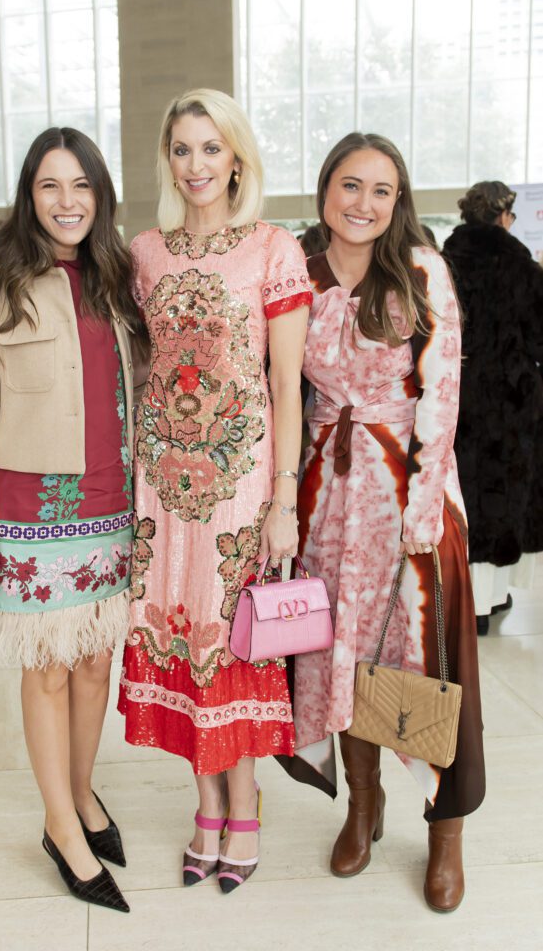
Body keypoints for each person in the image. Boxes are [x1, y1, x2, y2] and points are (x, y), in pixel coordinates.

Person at [0, 126, 146, 913]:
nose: (67, 203)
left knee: (96, 660)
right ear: (29, 196)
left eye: (81, 187)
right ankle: (61, 825)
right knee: (49, 667)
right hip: (31, 507)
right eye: (50, 187)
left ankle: (84, 791)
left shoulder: (114, 276)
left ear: (100, 195)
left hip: (111, 498)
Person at [118, 88, 311, 893]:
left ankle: (245, 804)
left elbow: (288, 388)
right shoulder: (143, 253)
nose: (195, 165)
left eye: (210, 148)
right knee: (176, 631)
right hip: (161, 487)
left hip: (242, 484)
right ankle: (205, 807)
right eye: (181, 149)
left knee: (231, 639)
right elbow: (139, 368)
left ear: (236, 157)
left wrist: (285, 500)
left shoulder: (273, 249)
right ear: (168, 158)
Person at [288, 133, 485, 913]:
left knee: (427, 663)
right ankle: (360, 805)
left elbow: (442, 395)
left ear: (398, 200)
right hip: (324, 501)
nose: (363, 203)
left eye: (381, 189)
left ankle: (444, 834)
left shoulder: (422, 270)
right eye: (349, 185)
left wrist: (423, 507)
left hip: (408, 491)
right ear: (323, 189)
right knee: (339, 653)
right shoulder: (295, 272)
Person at [443, 182, 543, 634]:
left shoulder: (445, 261)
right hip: (510, 400)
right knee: (502, 497)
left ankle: (465, 602)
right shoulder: (521, 266)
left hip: (456, 394)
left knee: (460, 494)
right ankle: (493, 598)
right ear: (503, 213)